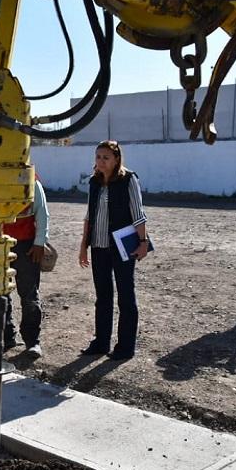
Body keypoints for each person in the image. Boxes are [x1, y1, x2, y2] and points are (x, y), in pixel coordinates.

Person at [79, 139, 148, 361]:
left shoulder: (128, 180)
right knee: (103, 296)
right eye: (98, 157)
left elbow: (138, 213)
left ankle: (126, 347)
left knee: (126, 296)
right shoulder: (94, 182)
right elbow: (89, 216)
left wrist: (143, 242)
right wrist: (83, 247)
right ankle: (101, 342)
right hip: (99, 246)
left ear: (116, 159)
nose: (101, 161)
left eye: (105, 157)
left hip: (122, 246)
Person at [2, 176, 49, 360]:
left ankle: (32, 341)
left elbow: (42, 212)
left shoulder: (31, 182)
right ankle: (5, 337)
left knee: (29, 294)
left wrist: (39, 243)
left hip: (26, 246)